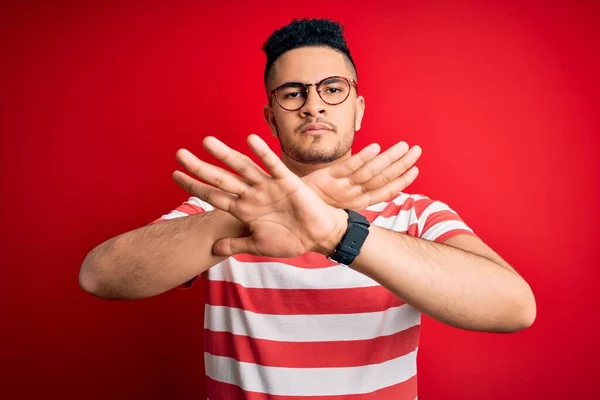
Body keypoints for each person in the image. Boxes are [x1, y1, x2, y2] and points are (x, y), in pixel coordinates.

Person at [79, 18, 536, 399]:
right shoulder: (223, 209)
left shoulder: (416, 213)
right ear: (271, 116)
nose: (313, 105)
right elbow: (100, 276)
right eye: (293, 93)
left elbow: (514, 307)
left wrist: (339, 233)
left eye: (332, 88)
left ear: (357, 109)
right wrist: (253, 214)